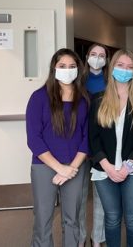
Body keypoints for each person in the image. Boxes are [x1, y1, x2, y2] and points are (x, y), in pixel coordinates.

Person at [89, 49, 133, 247]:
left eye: (129, 67)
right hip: (104, 168)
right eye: (120, 65)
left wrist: (129, 165)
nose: (124, 70)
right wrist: (107, 166)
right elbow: (93, 137)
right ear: (112, 67)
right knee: (112, 217)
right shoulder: (99, 99)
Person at [26, 48, 90, 247]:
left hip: (75, 167)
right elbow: (34, 139)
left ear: (78, 70)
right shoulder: (39, 97)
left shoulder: (84, 99)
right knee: (43, 218)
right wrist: (60, 168)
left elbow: (87, 138)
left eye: (72, 66)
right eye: (62, 66)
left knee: (73, 219)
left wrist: (71, 168)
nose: (67, 70)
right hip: (45, 166)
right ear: (54, 68)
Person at [79, 43, 109, 247]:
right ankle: (80, 238)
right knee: (78, 198)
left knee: (101, 197)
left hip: (103, 146)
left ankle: (97, 239)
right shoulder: (77, 81)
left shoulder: (111, 81)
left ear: (107, 59)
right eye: (93, 54)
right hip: (79, 147)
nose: (97, 58)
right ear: (87, 56)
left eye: (101, 55)